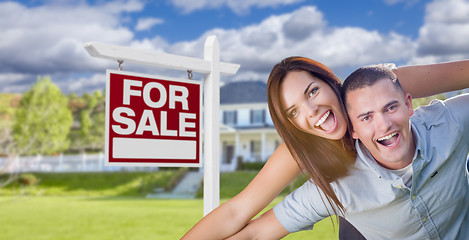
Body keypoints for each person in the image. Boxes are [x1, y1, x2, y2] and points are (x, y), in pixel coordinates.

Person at [181, 58, 469, 239]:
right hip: (359, 209)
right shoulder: (303, 151)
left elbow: (463, 73)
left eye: (312, 91)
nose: (311, 110)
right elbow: (237, 212)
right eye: (293, 112)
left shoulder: (378, 87)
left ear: (333, 84)